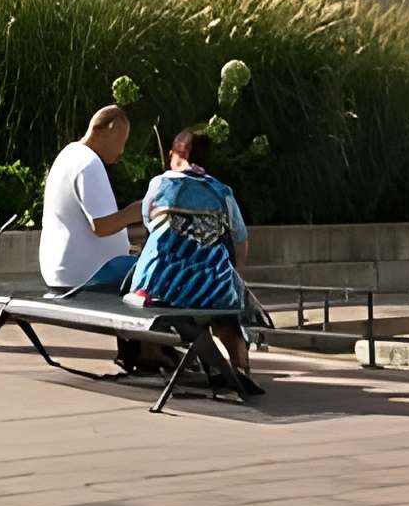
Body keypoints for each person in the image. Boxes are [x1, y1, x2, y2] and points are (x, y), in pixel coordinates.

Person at [128, 128, 263, 397]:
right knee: (228, 306)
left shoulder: (159, 185)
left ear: (173, 155)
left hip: (157, 289)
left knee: (136, 275)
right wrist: (233, 275)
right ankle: (239, 367)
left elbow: (149, 224)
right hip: (210, 289)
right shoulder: (222, 192)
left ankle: (150, 354)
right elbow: (241, 240)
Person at [38, 103, 142, 295]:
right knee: (156, 275)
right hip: (86, 277)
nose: (121, 151)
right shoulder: (88, 163)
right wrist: (138, 211)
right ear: (111, 129)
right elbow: (101, 226)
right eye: (122, 142)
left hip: (64, 272)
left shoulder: (70, 154)